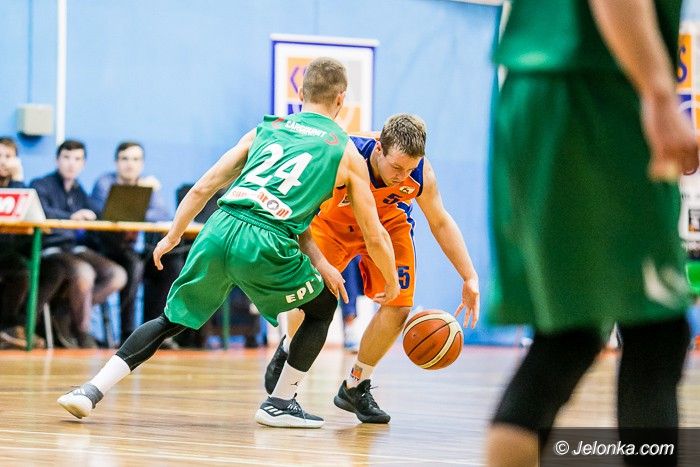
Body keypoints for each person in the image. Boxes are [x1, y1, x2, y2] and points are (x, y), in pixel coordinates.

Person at [57, 57, 399, 428]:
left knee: (170, 319)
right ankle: (280, 402)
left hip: (219, 228)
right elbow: (375, 234)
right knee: (322, 307)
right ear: (342, 99)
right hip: (267, 241)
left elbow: (205, 186)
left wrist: (173, 235)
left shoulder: (267, 129)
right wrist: (392, 286)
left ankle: (90, 390)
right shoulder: (345, 151)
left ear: (300, 92)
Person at [486, 1, 696, 465]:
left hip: (544, 93)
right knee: (655, 331)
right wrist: (660, 95)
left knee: (570, 335)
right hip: (595, 92)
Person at [265, 113, 480, 423]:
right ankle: (289, 350)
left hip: (388, 227)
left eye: (409, 169)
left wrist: (469, 276)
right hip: (332, 226)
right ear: (379, 148)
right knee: (308, 295)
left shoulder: (421, 175)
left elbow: (440, 222)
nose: (402, 176)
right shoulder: (343, 153)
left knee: (400, 305)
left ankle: (356, 384)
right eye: (396, 168)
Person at [31, 140, 127, 348]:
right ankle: (83, 331)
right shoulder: (41, 184)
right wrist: (71, 217)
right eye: (66, 157)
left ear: (83, 164)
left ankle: (64, 311)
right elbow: (40, 210)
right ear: (57, 160)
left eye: (77, 159)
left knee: (118, 275)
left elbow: (95, 215)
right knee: (84, 272)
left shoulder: (79, 191)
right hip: (51, 249)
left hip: (76, 249)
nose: (71, 163)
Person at [90, 141, 173, 344]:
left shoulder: (147, 184)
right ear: (116, 162)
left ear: (142, 164)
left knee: (170, 265)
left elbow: (161, 214)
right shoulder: (104, 183)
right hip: (107, 249)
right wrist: (141, 194)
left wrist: (141, 199)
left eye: (135, 159)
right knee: (133, 265)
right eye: (125, 159)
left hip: (136, 249)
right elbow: (110, 212)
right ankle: (127, 335)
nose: (130, 164)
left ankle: (155, 333)